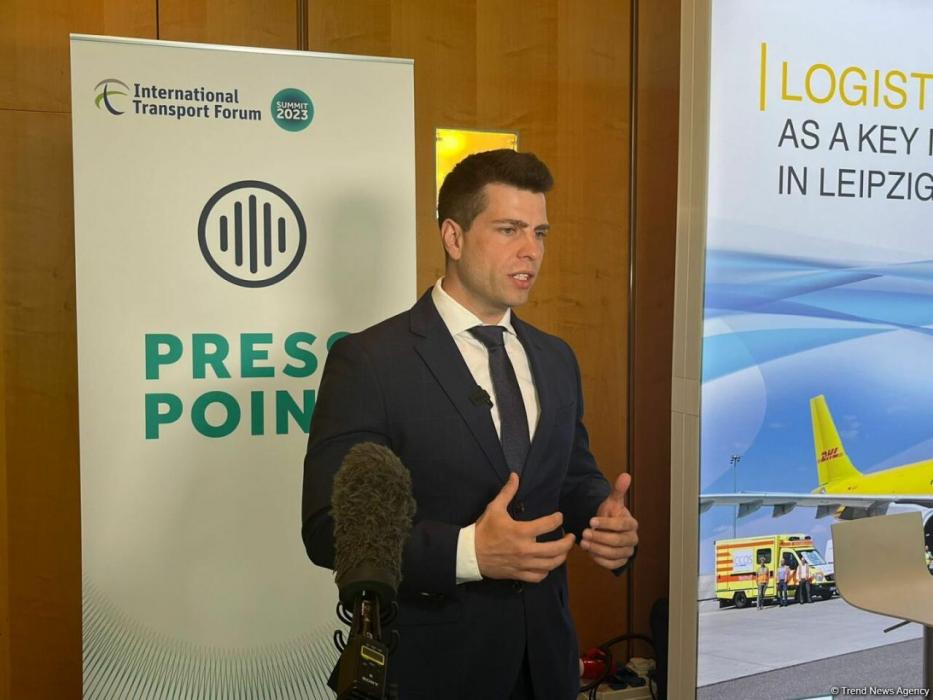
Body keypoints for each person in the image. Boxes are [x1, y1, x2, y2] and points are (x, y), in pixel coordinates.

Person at [301, 149, 639, 700]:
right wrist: (470, 553)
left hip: (547, 667)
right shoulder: (369, 362)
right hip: (436, 672)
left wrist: (603, 518)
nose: (532, 251)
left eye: (540, 233)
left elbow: (571, 476)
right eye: (509, 230)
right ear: (453, 237)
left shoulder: (556, 357)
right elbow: (329, 528)